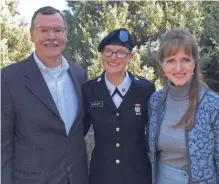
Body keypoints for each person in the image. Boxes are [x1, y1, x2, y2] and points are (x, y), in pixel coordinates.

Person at [1, 6, 89, 184]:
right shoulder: (8, 78)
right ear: (31, 34)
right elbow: (3, 144)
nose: (52, 36)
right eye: (44, 30)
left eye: (58, 30)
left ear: (66, 35)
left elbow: (79, 129)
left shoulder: (79, 74)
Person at [83, 28, 155, 184]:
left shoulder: (146, 89)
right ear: (102, 55)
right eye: (108, 51)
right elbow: (77, 132)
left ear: (131, 57)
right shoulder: (89, 90)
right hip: (102, 176)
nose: (113, 57)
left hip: (137, 176)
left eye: (121, 52)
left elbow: (155, 132)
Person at [147, 28, 219, 184]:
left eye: (185, 59)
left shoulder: (213, 105)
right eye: (171, 60)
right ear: (162, 64)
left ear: (194, 61)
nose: (178, 68)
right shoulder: (155, 101)